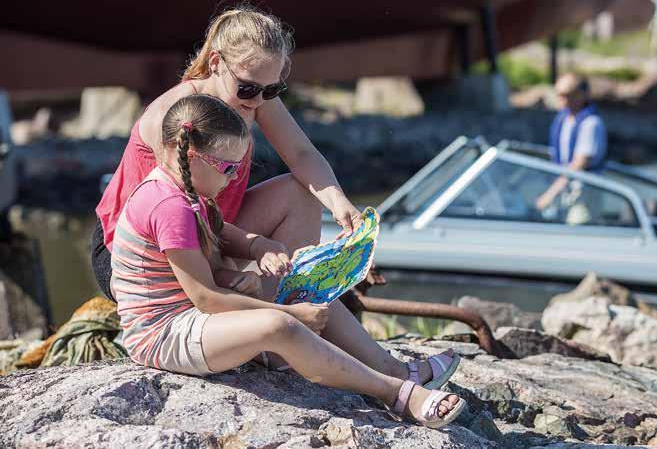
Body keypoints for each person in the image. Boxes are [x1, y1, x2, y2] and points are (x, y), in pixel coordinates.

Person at [92, 4, 458, 389]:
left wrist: (340, 206)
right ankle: (292, 329)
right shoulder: (176, 119)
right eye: (248, 88)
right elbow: (168, 221)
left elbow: (300, 155)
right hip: (143, 256)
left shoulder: (255, 97)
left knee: (300, 194)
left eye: (272, 90)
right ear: (216, 63)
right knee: (271, 296)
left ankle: (291, 326)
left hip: (214, 230)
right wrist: (229, 271)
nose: (257, 100)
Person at [110, 94, 466, 427]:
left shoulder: (187, 188)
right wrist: (291, 316)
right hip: (162, 334)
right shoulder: (168, 205)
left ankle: (393, 369)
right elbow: (206, 298)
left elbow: (219, 230)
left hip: (192, 316)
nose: (234, 177)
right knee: (280, 326)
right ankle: (398, 394)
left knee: (304, 291)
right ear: (190, 156)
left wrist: (257, 245)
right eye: (227, 167)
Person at [535, 73, 607, 224]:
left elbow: (579, 163)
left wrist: (550, 194)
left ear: (583, 95)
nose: (563, 100)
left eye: (568, 95)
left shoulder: (590, 123)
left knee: (578, 229)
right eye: (560, 95)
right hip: (565, 190)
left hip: (584, 192)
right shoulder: (564, 120)